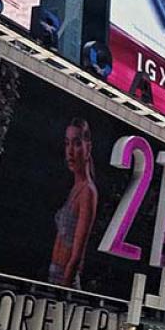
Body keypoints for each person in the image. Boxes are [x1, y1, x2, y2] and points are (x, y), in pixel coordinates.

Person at [50, 117, 99, 289]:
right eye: (67, 143)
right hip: (54, 275)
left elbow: (77, 255)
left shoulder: (88, 192)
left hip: (65, 281)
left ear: (88, 148)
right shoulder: (75, 188)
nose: (70, 151)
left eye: (77, 143)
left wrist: (62, 290)